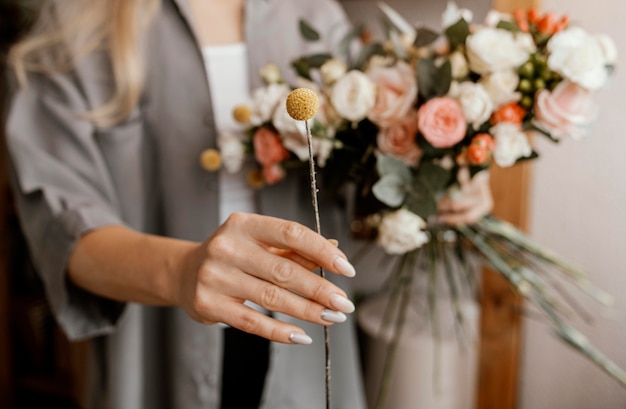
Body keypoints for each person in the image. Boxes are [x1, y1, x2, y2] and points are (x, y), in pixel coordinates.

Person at [4, 0, 493, 408]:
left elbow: (353, 192)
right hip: (158, 339)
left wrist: (437, 180)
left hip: (304, 330)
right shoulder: (81, 22)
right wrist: (182, 271)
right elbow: (62, 227)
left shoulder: (314, 15)